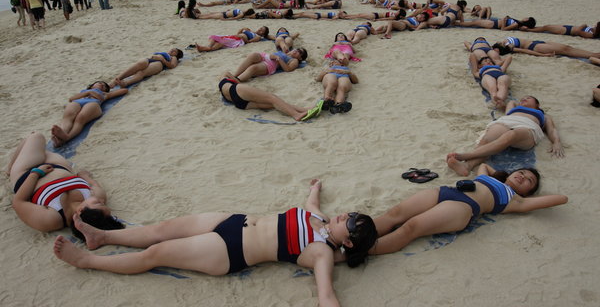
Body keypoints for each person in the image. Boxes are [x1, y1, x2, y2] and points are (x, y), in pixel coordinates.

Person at [53, 179, 377, 306]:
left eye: (349, 223)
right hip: (233, 221)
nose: (343, 216)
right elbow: (310, 206)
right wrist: (314, 190)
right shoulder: (320, 220)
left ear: (347, 243)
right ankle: (102, 237)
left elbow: (327, 295)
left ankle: (87, 261)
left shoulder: (321, 253)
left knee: (156, 253)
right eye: (351, 214)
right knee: (161, 229)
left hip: (230, 252)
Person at [370, 163, 568, 255]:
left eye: (528, 181)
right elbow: (484, 165)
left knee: (411, 227)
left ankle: (359, 251)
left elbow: (562, 198)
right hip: (447, 191)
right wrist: (501, 175)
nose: (523, 176)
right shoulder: (487, 176)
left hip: (464, 207)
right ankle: (355, 234)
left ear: (528, 192)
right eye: (521, 172)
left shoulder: (515, 200)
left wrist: (520, 189)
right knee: (394, 214)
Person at [6, 132, 123, 233]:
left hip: (26, 172)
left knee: (36, 137)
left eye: (99, 204)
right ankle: (57, 140)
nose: (102, 201)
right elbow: (94, 185)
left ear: (81, 211)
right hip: (60, 166)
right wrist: (85, 177)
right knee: (38, 147)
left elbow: (18, 203)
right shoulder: (95, 198)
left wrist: (35, 174)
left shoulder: (52, 218)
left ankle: (10, 168)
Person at [446, 96, 564, 176]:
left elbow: (552, 129)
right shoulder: (514, 107)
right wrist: (503, 104)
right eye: (523, 98)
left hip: (528, 127)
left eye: (529, 98)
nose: (524, 99)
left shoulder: (544, 115)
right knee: (487, 139)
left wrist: (556, 142)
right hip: (508, 121)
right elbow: (509, 105)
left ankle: (466, 155)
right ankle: (467, 165)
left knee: (510, 135)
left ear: (537, 105)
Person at [50, 81, 128, 147]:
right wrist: (89, 92)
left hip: (93, 103)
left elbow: (124, 90)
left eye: (104, 86)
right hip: (77, 102)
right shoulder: (84, 91)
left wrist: (107, 91)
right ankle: (60, 137)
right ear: (91, 85)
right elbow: (71, 99)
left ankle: (67, 137)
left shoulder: (104, 94)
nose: (101, 85)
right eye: (99, 83)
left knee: (80, 118)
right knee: (68, 117)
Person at [109, 49, 184, 88]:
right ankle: (116, 80)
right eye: (172, 49)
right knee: (140, 64)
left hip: (159, 63)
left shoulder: (173, 57)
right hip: (150, 59)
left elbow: (172, 66)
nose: (172, 50)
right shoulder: (163, 52)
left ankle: (125, 83)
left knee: (141, 72)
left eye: (175, 51)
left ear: (176, 55)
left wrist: (162, 60)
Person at [227, 48, 308, 82]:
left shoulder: (295, 60)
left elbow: (288, 69)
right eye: (297, 49)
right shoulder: (287, 52)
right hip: (266, 56)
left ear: (300, 58)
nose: (296, 51)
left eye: (299, 53)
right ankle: (235, 75)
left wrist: (279, 59)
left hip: (271, 64)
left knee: (253, 68)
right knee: (253, 55)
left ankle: (236, 80)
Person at [492, 36, 600, 59]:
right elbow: (526, 51)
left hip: (538, 41)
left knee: (567, 47)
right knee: (566, 51)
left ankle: (593, 54)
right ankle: (593, 55)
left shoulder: (503, 42)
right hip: (536, 47)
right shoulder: (509, 47)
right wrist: (543, 55)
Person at [195, 27, 270, 52]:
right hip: (235, 37)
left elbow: (249, 42)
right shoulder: (251, 31)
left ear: (263, 34)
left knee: (221, 42)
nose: (259, 30)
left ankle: (205, 48)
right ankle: (207, 47)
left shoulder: (258, 36)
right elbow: (238, 32)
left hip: (239, 40)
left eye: (262, 31)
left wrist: (243, 37)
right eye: (260, 28)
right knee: (216, 38)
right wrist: (242, 30)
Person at [521, 22, 600, 39]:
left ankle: (528, 30)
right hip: (568, 27)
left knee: (547, 27)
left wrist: (583, 25)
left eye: (597, 26)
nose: (595, 25)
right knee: (546, 27)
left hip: (567, 31)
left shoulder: (591, 34)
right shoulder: (592, 30)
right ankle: (531, 28)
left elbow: (579, 32)